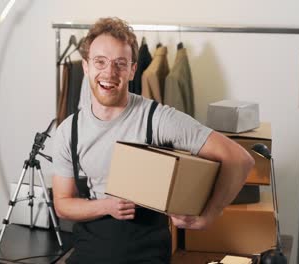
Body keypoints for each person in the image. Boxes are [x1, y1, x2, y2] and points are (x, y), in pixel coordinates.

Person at [52, 17, 254, 264]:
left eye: (120, 64)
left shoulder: (157, 119)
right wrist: (106, 206)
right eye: (100, 62)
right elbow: (62, 204)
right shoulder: (68, 131)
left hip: (146, 257)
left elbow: (239, 159)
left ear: (133, 70)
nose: (109, 73)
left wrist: (209, 215)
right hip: (88, 256)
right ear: (86, 66)